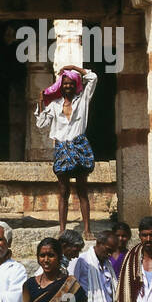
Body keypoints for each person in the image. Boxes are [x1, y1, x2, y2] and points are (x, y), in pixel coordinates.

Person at [35, 63, 98, 237]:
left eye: (71, 83)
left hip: (79, 147)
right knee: (63, 191)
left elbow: (92, 78)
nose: (68, 86)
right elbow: (41, 124)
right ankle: (62, 230)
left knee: (82, 190)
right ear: (61, 86)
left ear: (76, 84)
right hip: (62, 149)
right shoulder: (54, 105)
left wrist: (73, 67)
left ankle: (87, 230)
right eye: (65, 83)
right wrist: (41, 102)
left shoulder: (83, 99)